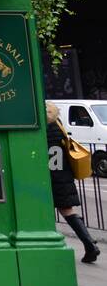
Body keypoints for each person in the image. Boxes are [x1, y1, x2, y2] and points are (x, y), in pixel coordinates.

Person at [47, 102, 100, 263]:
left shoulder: (41, 129)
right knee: (67, 210)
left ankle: (89, 244)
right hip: (62, 173)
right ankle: (89, 242)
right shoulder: (58, 125)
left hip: (48, 174)